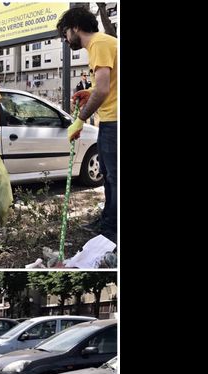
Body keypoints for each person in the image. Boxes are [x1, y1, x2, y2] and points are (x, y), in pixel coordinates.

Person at [58, 7, 118, 243]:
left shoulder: (99, 44)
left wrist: (80, 120)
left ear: (75, 27)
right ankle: (108, 222)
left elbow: (103, 90)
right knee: (109, 176)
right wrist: (89, 92)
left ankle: (112, 232)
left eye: (65, 33)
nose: (65, 39)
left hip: (115, 122)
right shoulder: (102, 44)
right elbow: (105, 86)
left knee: (114, 178)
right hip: (110, 120)